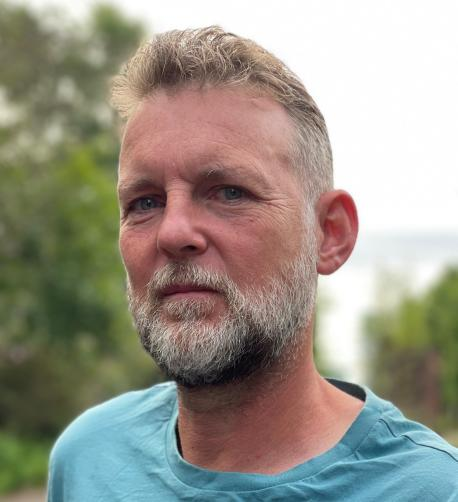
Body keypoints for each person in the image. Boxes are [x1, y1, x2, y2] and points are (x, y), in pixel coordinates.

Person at [47, 27, 458, 501]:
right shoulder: (88, 458)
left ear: (329, 233)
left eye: (229, 192)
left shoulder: (430, 490)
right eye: (145, 203)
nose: (173, 233)